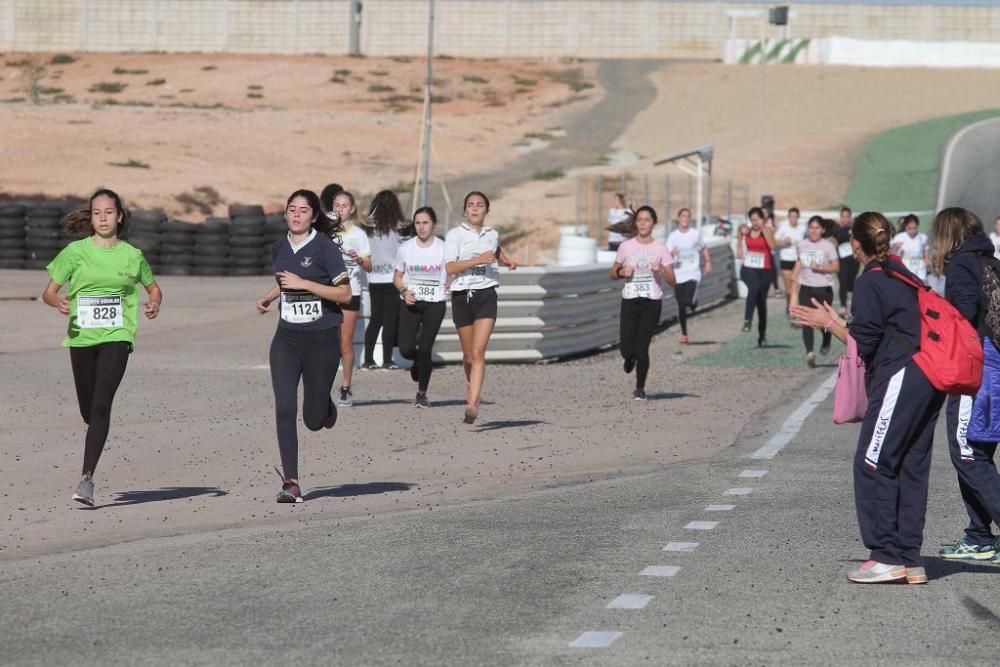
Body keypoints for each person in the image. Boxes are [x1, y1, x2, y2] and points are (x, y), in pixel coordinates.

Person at [793, 211, 944, 584]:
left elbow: (868, 343)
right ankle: (911, 559)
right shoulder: (903, 274)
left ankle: (886, 555)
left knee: (872, 461)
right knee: (910, 466)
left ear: (854, 244)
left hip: (901, 377)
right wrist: (843, 323)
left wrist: (830, 325)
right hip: (929, 378)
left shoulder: (869, 282)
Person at [42, 189, 162, 507]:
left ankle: (86, 480)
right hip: (81, 338)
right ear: (91, 217)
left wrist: (153, 303)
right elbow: (49, 292)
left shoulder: (132, 255)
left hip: (117, 336)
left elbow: (153, 288)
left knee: (101, 405)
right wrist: (58, 301)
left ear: (119, 216)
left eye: (109, 212)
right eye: (97, 213)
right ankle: (94, 430)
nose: (103, 218)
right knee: (88, 409)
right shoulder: (74, 252)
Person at [256, 189, 351, 503]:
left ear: (314, 216)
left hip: (322, 339)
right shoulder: (279, 247)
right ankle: (291, 483)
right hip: (287, 339)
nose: (296, 215)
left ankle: (324, 405)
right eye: (291, 209)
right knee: (284, 407)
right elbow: (285, 279)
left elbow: (345, 295)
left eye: (303, 210)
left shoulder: (325, 248)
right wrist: (271, 296)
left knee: (313, 420)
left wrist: (305, 284)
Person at [929, 207, 1000, 561]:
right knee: (980, 452)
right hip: (995, 369)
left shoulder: (961, 264)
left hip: (978, 371)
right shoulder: (992, 261)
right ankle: (978, 535)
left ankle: (984, 535)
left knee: (967, 452)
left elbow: (966, 311)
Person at [444, 191, 517, 424]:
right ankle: (470, 384)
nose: (475, 209)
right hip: (462, 295)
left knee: (478, 352)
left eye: (480, 205)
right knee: (467, 355)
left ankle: (473, 404)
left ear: (487, 210)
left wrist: (506, 260)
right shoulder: (455, 235)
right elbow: (450, 268)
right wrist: (477, 260)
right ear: (465, 211)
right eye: (471, 205)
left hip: (486, 294)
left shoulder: (492, 234)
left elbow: (493, 250)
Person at [609, 206, 676, 399]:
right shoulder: (626, 247)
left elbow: (673, 281)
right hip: (630, 300)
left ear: (653, 223)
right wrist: (622, 272)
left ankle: (640, 388)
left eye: (647, 220)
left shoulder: (661, 248)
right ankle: (628, 358)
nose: (643, 223)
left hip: (651, 302)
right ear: (636, 223)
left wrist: (661, 269)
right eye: (640, 220)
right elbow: (612, 273)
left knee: (642, 347)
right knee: (627, 349)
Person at [394, 206, 449, 407]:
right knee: (407, 349)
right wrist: (403, 291)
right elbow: (397, 277)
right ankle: (418, 361)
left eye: (425, 223)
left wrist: (451, 284)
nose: (421, 227)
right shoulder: (406, 248)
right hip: (411, 302)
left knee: (425, 347)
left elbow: (452, 272)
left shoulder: (443, 248)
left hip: (435, 303)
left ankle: (421, 393)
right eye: (417, 223)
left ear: (434, 225)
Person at [329, 191, 371, 407]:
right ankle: (321, 385)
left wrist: (359, 259)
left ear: (352, 209)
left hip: (350, 292)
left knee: (345, 342)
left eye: (344, 206)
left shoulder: (359, 235)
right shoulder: (324, 233)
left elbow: (369, 266)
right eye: (337, 205)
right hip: (327, 291)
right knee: (326, 342)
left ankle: (346, 387)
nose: (340, 209)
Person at [362, 190, 406, 370]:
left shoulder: (368, 230)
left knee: (375, 320)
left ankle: (368, 360)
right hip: (393, 279)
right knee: (390, 321)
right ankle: (388, 360)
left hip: (374, 279)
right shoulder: (400, 228)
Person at [791, 216, 839, 367]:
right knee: (807, 321)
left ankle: (826, 340)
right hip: (806, 288)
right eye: (811, 228)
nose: (813, 231)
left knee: (823, 322)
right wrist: (794, 280)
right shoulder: (801, 244)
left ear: (823, 230)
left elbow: (836, 267)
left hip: (824, 289)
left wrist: (820, 268)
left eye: (817, 228)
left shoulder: (828, 246)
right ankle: (809, 353)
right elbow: (799, 263)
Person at [666, 207, 711, 344]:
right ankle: (684, 333)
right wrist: (671, 254)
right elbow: (666, 254)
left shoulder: (695, 234)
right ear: (678, 219)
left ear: (689, 219)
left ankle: (693, 302)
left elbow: (703, 248)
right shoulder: (672, 236)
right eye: (683, 216)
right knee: (680, 305)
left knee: (687, 301)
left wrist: (708, 262)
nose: (685, 218)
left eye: (687, 216)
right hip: (678, 273)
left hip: (692, 272)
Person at [737, 207, 776, 347]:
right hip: (748, 268)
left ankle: (762, 335)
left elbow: (773, 246)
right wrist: (739, 248)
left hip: (764, 270)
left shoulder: (767, 230)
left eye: (757, 219)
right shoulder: (746, 230)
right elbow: (739, 234)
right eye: (752, 219)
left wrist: (764, 230)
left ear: (762, 219)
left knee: (761, 303)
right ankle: (747, 321)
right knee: (753, 288)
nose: (754, 222)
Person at [775, 207, 806, 316]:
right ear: (788, 217)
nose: (793, 219)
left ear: (798, 217)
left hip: (799, 261)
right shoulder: (783, 228)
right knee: (789, 290)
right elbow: (774, 242)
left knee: (797, 287)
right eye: (791, 217)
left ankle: (796, 311)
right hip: (786, 260)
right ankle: (789, 305)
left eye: (795, 216)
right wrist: (783, 241)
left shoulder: (803, 228)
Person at [891, 214, 930, 282]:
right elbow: (893, 255)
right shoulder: (899, 237)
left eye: (914, 228)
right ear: (905, 227)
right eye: (909, 228)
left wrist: (926, 263)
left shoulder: (923, 237)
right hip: (905, 268)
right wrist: (895, 248)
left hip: (920, 269)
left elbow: (926, 253)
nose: (912, 231)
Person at [835, 206, 857, 317]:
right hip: (841, 260)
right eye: (842, 216)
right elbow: (833, 240)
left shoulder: (855, 230)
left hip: (854, 260)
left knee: (851, 284)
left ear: (850, 218)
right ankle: (843, 307)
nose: (845, 219)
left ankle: (856, 306)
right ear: (840, 217)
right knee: (842, 282)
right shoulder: (836, 229)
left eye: (847, 216)